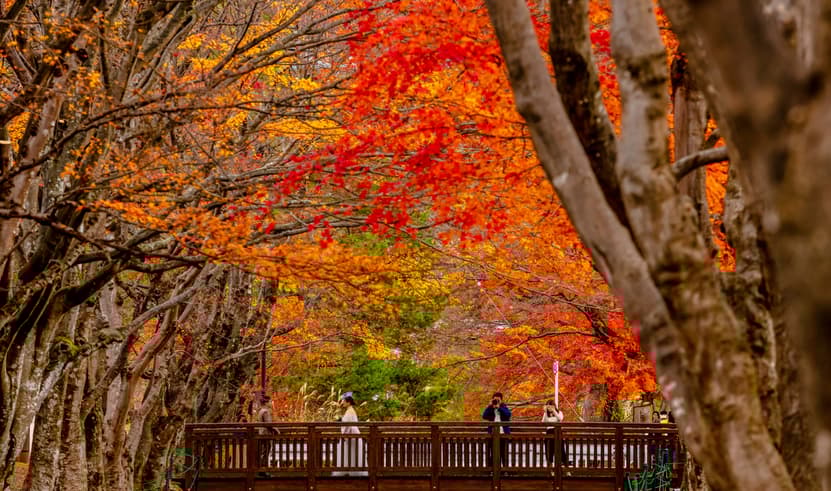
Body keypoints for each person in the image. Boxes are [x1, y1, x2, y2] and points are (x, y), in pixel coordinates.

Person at [335, 393, 366, 476]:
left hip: (351, 434)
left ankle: (351, 471)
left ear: (348, 402)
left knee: (350, 452)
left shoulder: (350, 411)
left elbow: (347, 424)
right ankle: (353, 470)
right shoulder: (350, 410)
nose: (342, 403)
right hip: (353, 433)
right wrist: (341, 420)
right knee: (351, 452)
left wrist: (344, 434)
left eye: (343, 401)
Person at [482, 392, 511, 468]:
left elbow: (508, 415)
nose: (496, 401)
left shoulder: (504, 407)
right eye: (495, 400)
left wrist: (499, 408)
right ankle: (492, 469)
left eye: (498, 400)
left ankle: (505, 469)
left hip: (503, 434)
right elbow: (484, 416)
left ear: (501, 400)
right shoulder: (490, 408)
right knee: (493, 453)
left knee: (504, 453)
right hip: (492, 434)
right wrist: (489, 406)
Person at [256, 394, 280, 469]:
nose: (271, 403)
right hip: (266, 434)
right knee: (266, 451)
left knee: (264, 451)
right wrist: (275, 430)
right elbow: (268, 424)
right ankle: (263, 469)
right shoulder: (265, 411)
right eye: (270, 401)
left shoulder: (260, 411)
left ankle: (262, 468)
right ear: (266, 402)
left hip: (261, 433)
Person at [541, 400, 568, 467]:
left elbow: (560, 419)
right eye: (547, 406)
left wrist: (554, 411)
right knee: (549, 449)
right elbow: (543, 422)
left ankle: (564, 463)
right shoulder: (546, 414)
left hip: (558, 432)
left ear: (554, 406)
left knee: (561, 449)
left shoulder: (559, 412)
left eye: (550, 406)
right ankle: (550, 464)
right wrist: (545, 412)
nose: (549, 408)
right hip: (549, 432)